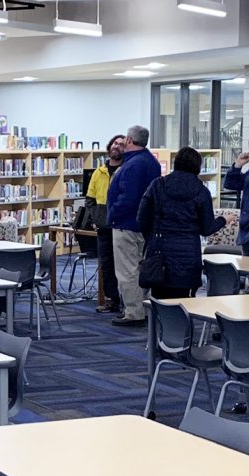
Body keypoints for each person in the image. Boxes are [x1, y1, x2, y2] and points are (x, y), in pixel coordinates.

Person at [138, 147, 232, 299]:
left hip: (160, 255)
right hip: (188, 257)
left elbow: (142, 218)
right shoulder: (202, 191)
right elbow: (206, 228)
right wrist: (223, 220)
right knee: (184, 304)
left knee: (159, 303)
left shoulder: (158, 185)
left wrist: (152, 237)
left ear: (176, 162)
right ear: (198, 166)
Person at [106, 125, 161, 327]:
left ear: (129, 140)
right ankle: (142, 307)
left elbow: (128, 198)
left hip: (126, 224)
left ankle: (133, 311)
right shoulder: (152, 163)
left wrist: (113, 214)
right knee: (139, 268)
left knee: (127, 270)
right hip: (145, 225)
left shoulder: (132, 165)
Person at [85, 134, 125, 314]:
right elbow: (90, 199)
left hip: (122, 226)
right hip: (103, 226)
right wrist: (95, 219)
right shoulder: (98, 172)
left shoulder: (126, 170)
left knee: (124, 265)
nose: (117, 146)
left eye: (122, 145)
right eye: (115, 143)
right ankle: (112, 299)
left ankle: (127, 300)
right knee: (106, 264)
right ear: (110, 146)